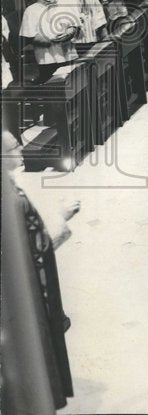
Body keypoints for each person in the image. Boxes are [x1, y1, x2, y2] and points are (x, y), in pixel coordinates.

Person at [3, 104, 79, 409]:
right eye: (11, 147)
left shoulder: (11, 191)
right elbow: (33, 250)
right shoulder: (12, 200)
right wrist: (61, 217)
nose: (20, 148)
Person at [19, 0, 79, 81]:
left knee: (75, 84)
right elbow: (30, 37)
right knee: (56, 88)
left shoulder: (61, 4)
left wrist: (71, 31)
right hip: (48, 60)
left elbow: (74, 25)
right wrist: (53, 40)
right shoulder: (31, 11)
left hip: (68, 55)